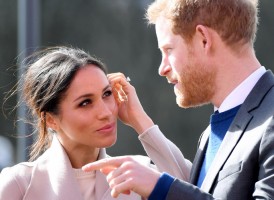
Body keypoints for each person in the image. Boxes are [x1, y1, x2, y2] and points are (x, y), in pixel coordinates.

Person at [82, 0, 274, 199]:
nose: (162, 68)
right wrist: (139, 120)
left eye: (168, 50)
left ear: (204, 39)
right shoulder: (211, 133)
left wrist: (160, 187)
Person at [0, 46, 189, 200]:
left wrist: (139, 119)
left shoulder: (136, 174)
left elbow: (192, 192)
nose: (106, 113)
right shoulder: (20, 184)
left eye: (107, 94)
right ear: (50, 120)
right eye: (85, 103)